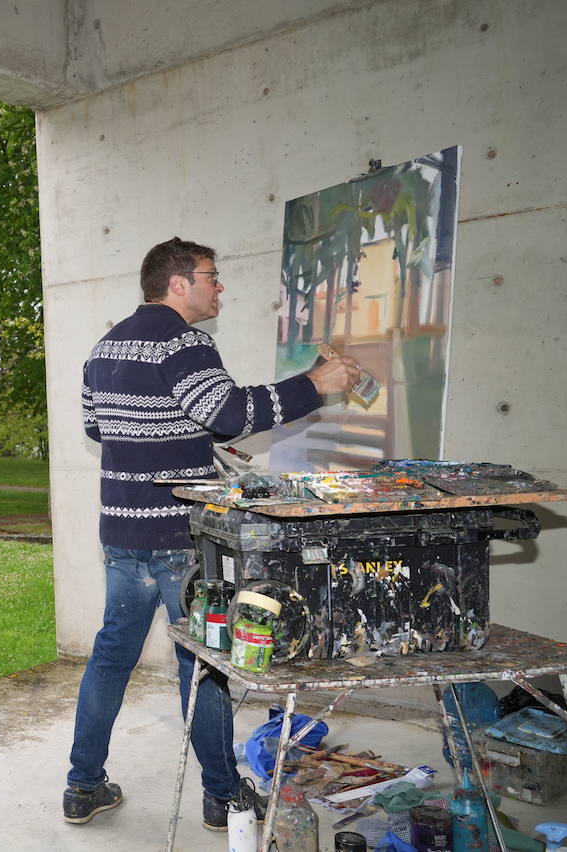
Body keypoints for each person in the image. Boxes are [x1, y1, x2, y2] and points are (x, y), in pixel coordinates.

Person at [63, 237, 361, 830]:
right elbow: (229, 413)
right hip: (178, 535)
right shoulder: (186, 343)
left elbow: (100, 427)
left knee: (110, 659)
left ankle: (82, 786)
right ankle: (223, 796)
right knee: (203, 666)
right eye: (211, 276)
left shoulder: (106, 345)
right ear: (178, 283)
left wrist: (183, 436)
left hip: (123, 533)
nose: (218, 286)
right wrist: (314, 384)